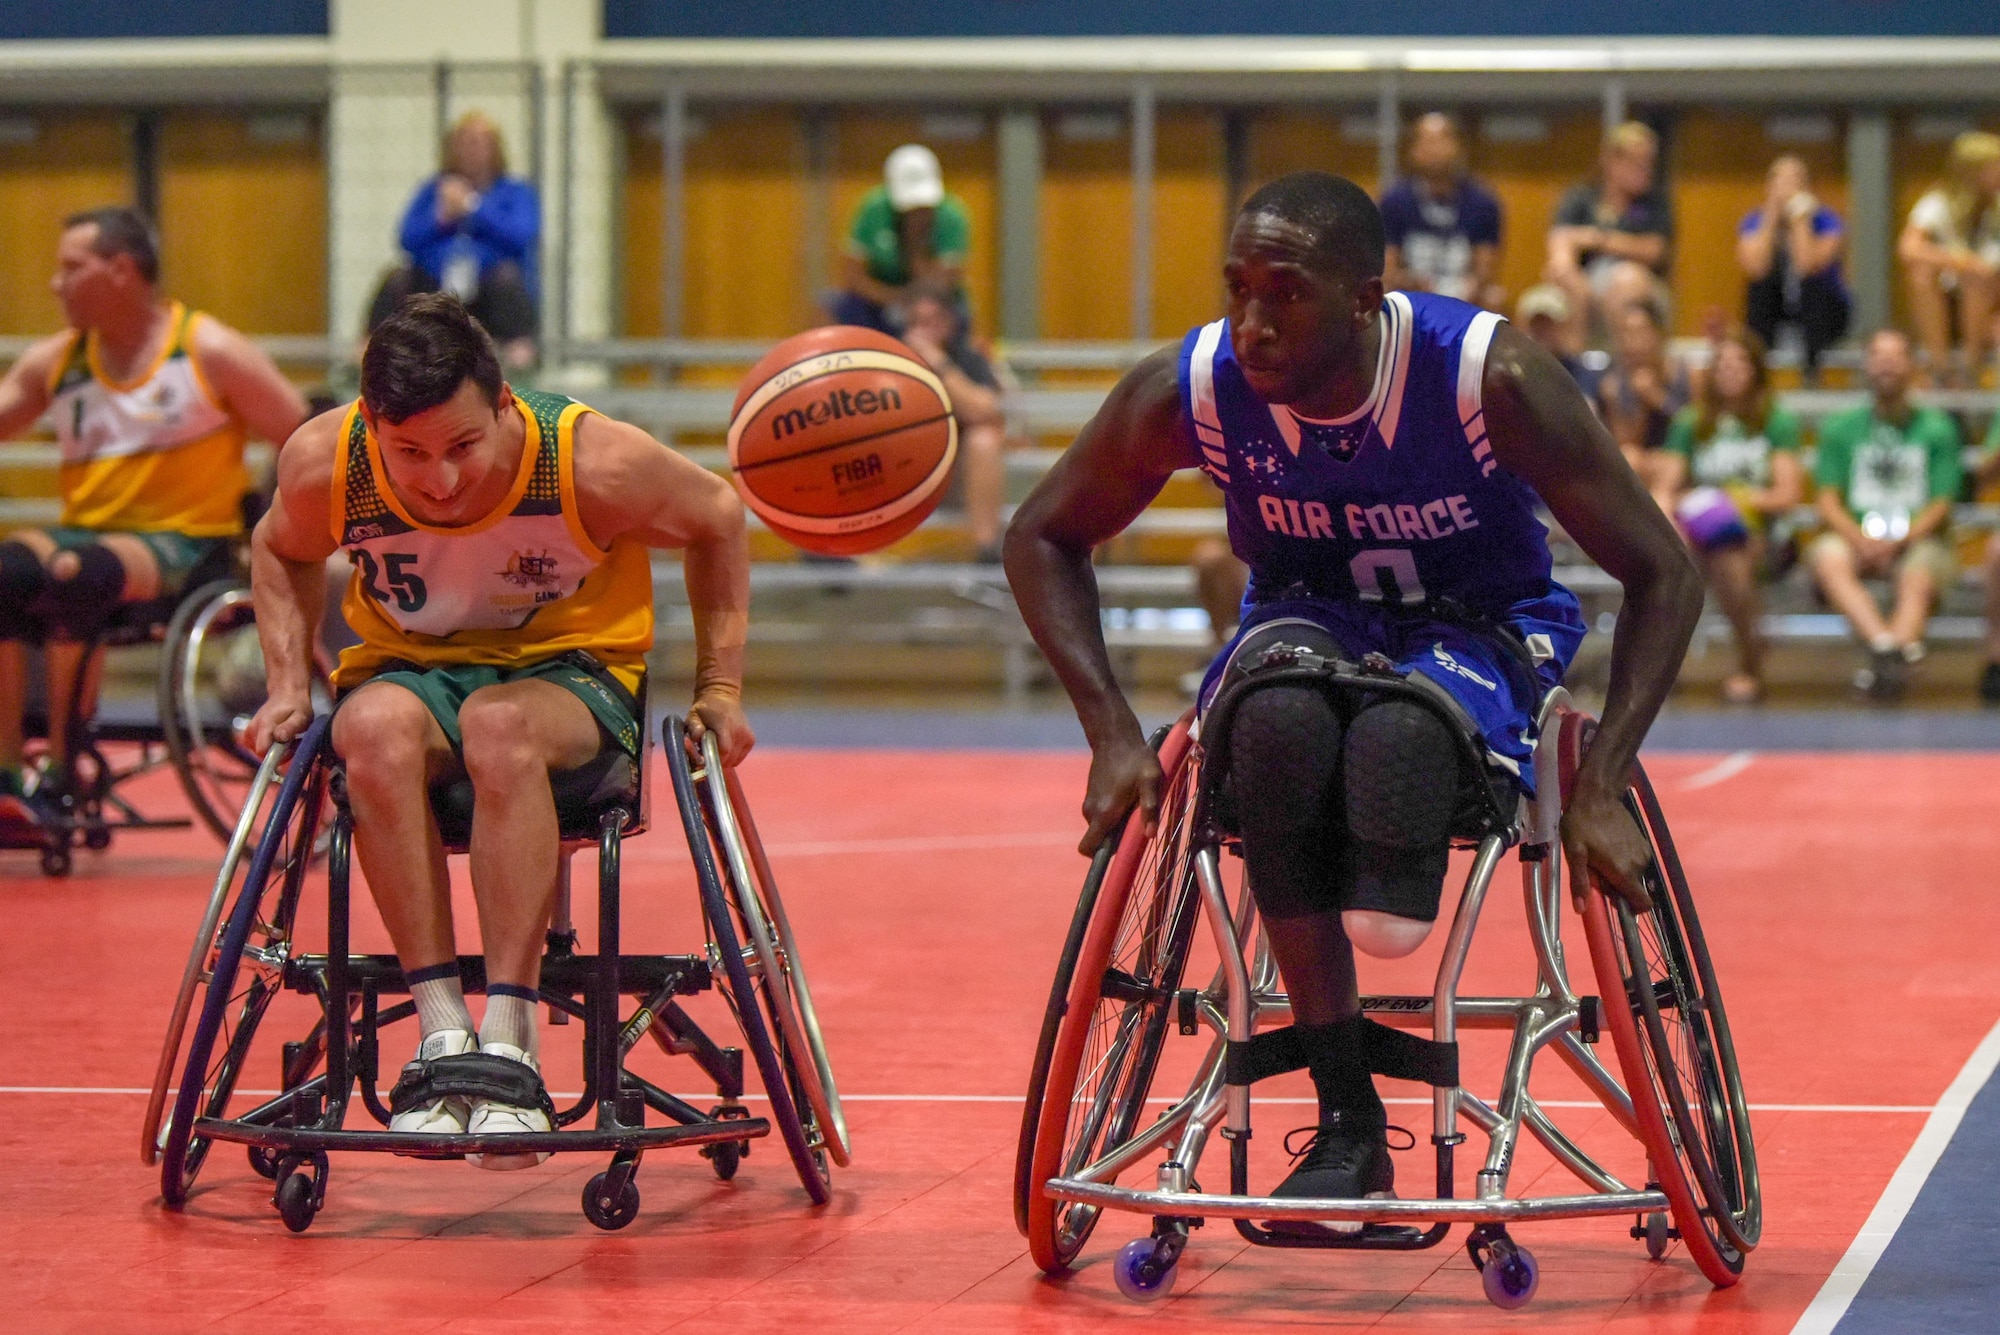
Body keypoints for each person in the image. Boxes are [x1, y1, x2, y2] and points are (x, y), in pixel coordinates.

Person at [1005, 172, 1700, 1222]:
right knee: (1272, 727)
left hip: (1479, 619)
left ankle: (1378, 908)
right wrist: (1108, 731)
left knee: (1396, 768)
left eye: (1282, 293)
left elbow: (1664, 570)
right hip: (1304, 611)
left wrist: (1599, 781)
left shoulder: (1485, 376)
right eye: (1236, 288)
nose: (1250, 321)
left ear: (1364, 297)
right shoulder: (1192, 388)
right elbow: (1040, 535)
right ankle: (1346, 1118)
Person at [245, 294, 753, 1166]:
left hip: (570, 673)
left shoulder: (589, 461)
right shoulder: (326, 461)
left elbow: (719, 516)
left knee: (499, 723)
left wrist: (720, 686)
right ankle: (444, 1038)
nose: (439, 478)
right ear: (370, 424)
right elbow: (279, 546)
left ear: (505, 404)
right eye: (410, 453)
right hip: (412, 669)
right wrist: (288, 683)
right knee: (365, 729)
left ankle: (510, 1037)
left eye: (462, 446)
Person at [0, 206, 307, 829]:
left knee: (73, 572)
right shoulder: (56, 362)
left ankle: (62, 770)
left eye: (70, 269)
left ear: (121, 270)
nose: (56, 284)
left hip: (187, 546)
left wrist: (283, 528)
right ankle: (8, 773)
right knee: (8, 570)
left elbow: (301, 432)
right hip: (87, 533)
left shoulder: (207, 350)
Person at [1807, 329, 1963, 700]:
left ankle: (1885, 660)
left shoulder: (1938, 428)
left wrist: (1901, 540)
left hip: (1920, 540)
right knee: (1828, 556)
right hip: (1855, 536)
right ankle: (1888, 649)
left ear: (1911, 365)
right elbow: (1827, 499)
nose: (1887, 365)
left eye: (1896, 356)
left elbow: (1942, 503)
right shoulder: (1841, 428)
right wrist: (1860, 539)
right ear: (1866, 365)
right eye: (1878, 356)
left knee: (1918, 573)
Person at [1657, 329, 1805, 704]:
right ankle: (1657, 667)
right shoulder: (1692, 422)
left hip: (1760, 530)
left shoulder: (1776, 422)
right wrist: (1672, 512)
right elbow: (1666, 487)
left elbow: (1787, 493)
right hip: (1698, 527)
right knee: (1671, 559)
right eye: (1722, 363)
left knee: (1729, 559)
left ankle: (1750, 660)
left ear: (1756, 370)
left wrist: (1733, 500)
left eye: (1740, 362)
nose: (1731, 371)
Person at [367, 112, 540, 370]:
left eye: (480, 142)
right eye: (466, 142)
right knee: (397, 278)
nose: (472, 150)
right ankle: (369, 351)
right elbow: (407, 238)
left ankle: (520, 357)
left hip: (488, 289)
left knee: (508, 278)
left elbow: (521, 235)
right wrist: (441, 217)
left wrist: (473, 207)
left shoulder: (515, 192)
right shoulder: (432, 191)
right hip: (438, 285)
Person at [897, 288, 1009, 562]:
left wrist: (936, 362)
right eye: (917, 322)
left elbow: (982, 410)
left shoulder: (968, 358)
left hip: (956, 471)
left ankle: (987, 551)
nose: (925, 330)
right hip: (903, 464)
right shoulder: (891, 360)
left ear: (950, 322)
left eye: (933, 320)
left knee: (984, 438)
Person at [1545, 122, 1674, 347]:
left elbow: (1654, 250)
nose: (1645, 170)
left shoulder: (1655, 203)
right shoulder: (1581, 197)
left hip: (1642, 284)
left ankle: (1620, 373)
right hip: (1584, 282)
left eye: (1649, 162)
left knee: (1627, 280)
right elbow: (1560, 242)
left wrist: (1597, 239)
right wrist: (1571, 277)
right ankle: (1575, 369)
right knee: (1543, 300)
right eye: (1636, 162)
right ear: (1611, 161)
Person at [1897, 131, 2000, 385]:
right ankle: (1941, 367)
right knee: (1922, 275)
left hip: (1992, 305)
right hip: (1948, 304)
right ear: (1972, 171)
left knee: (1978, 278)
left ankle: (1970, 368)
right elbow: (1908, 248)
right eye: (1993, 168)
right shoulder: (1938, 203)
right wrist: (1959, 261)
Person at [1737, 155, 1851, 377]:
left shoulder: (1827, 221)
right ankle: (1761, 369)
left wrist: (1800, 219)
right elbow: (1755, 268)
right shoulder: (1754, 222)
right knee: (1759, 289)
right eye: (1780, 181)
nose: (1787, 188)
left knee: (1814, 287)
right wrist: (1771, 218)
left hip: (1824, 311)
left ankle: (1811, 372)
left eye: (1795, 181)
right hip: (1779, 307)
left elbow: (1806, 265)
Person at [1379, 113, 1506, 311]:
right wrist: (1411, 282)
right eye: (1427, 141)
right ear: (1413, 149)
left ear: (1459, 147)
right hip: (1410, 295)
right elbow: (1387, 267)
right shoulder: (1394, 201)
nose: (1434, 149)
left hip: (1464, 294)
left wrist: (1468, 287)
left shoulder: (1482, 201)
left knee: (1495, 298)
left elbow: (1485, 269)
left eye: (1442, 139)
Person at [1596, 299, 1689, 498]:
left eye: (1640, 332)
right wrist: (1640, 405)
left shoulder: (1683, 373)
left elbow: (1695, 423)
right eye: (1626, 334)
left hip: (1681, 454)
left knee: (1669, 466)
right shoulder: (1613, 384)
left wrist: (1656, 397)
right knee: (1630, 457)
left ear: (1658, 335)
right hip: (1642, 460)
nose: (1632, 342)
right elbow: (1624, 444)